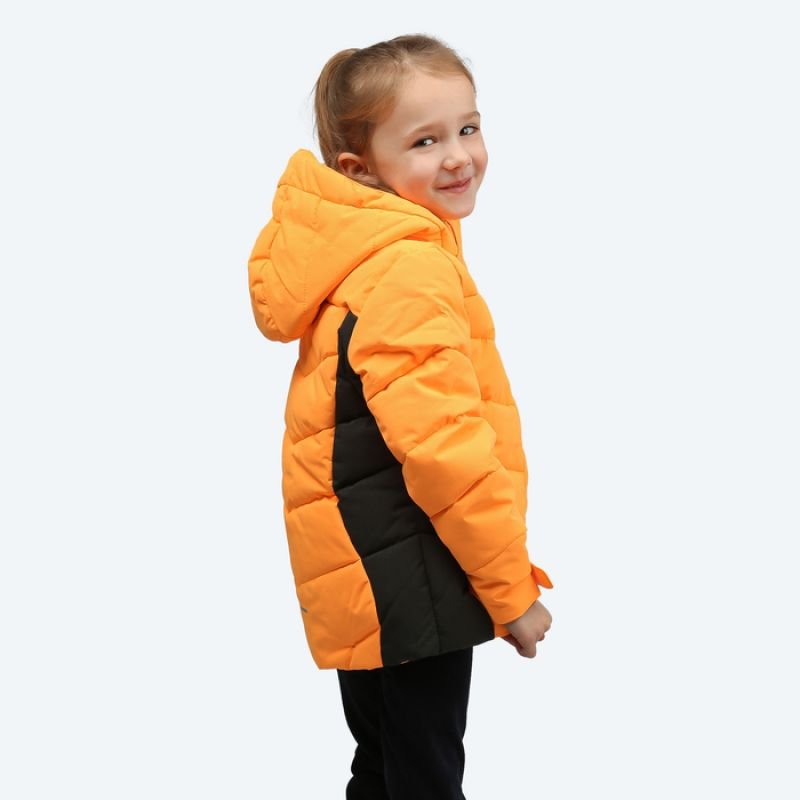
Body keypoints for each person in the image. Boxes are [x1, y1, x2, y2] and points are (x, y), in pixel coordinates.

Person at [247, 33, 554, 800]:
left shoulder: (363, 255)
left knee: (383, 767)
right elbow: (446, 451)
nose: (458, 157)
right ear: (360, 169)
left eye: (468, 128)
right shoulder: (406, 269)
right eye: (424, 141)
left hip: (364, 572)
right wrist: (510, 591)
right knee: (422, 778)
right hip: (411, 573)